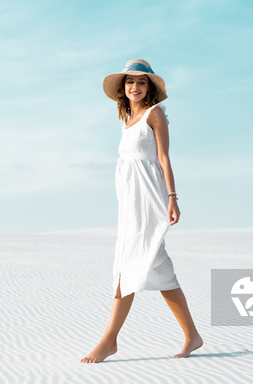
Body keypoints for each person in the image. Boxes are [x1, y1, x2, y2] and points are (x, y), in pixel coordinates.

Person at [80, 59, 203, 364]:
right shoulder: (126, 123)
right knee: (158, 269)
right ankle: (192, 336)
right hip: (130, 205)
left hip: (150, 202)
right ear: (123, 88)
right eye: (130, 82)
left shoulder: (154, 114)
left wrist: (173, 197)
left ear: (149, 88)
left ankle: (109, 340)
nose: (135, 87)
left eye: (142, 82)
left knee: (128, 264)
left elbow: (164, 158)